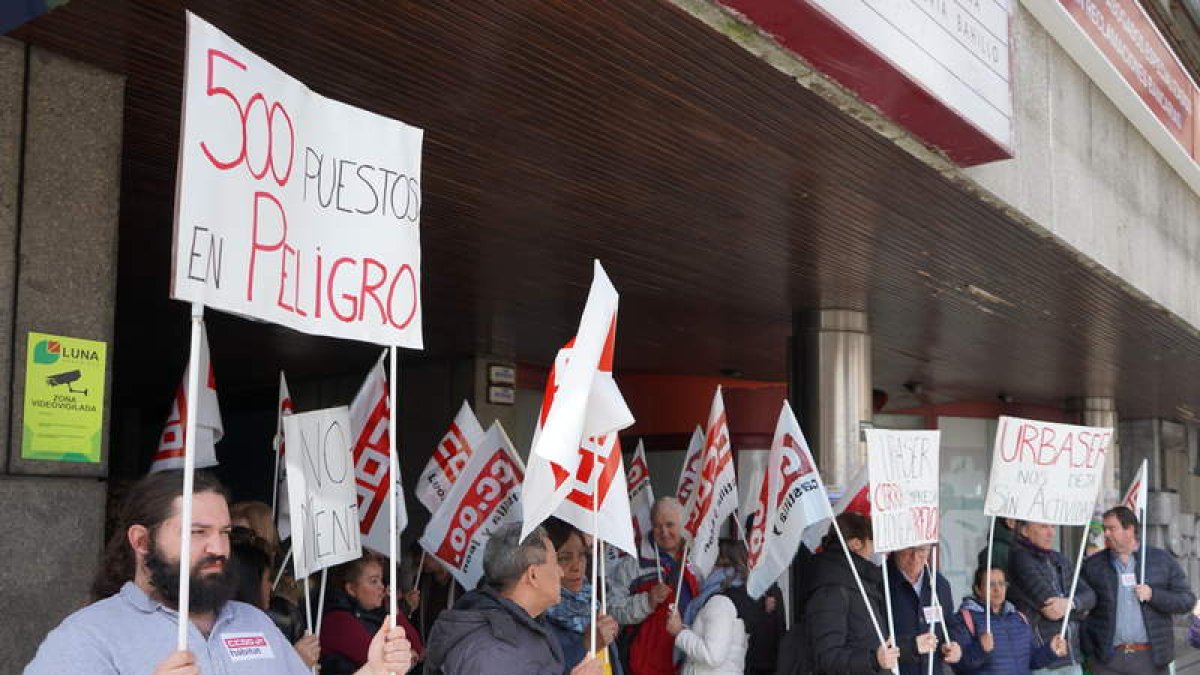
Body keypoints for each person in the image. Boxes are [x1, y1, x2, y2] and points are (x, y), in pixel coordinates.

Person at [25, 470, 413, 675]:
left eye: (225, 532)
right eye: (197, 532)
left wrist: (375, 670)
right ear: (142, 542)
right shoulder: (88, 636)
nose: (219, 548)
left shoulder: (253, 623)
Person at [423, 522, 609, 675]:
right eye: (555, 562)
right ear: (533, 575)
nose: (560, 572)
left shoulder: (521, 628)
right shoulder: (494, 650)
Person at [1080, 505, 1196, 674]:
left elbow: (1187, 600)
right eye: (1105, 529)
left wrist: (1153, 595)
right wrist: (1091, 651)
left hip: (1150, 659)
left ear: (1130, 530)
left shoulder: (1160, 560)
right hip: (1107, 661)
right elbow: (1082, 604)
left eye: (1112, 528)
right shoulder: (1094, 565)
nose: (1106, 534)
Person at [795, 512, 900, 675]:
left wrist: (913, 647)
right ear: (856, 544)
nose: (875, 550)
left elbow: (872, 642)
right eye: (871, 542)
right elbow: (827, 658)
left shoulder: (860, 583)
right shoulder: (832, 589)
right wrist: (873, 660)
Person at [609, 496, 700, 675]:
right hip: (645, 668)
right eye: (657, 525)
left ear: (682, 524)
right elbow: (612, 609)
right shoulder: (632, 565)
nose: (663, 532)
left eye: (670, 524)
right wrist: (647, 601)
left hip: (691, 663)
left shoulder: (699, 558)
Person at [1006, 520, 1094, 674]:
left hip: (1071, 653)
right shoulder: (1020, 559)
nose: (1051, 533)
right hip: (1044, 656)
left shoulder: (1059, 559)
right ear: (1025, 530)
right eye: (1043, 527)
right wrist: (1080, 610)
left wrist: (1071, 604)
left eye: (1053, 527)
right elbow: (1052, 608)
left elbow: (1090, 596)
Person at [948, 566, 1067, 674]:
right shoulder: (964, 619)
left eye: (1001, 584)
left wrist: (1050, 650)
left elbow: (1031, 661)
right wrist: (980, 649)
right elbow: (959, 664)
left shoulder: (1019, 618)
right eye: (991, 584)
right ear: (978, 589)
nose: (997, 589)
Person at [321, 553, 426, 674]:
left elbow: (416, 648)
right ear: (351, 589)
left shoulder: (373, 613)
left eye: (381, 580)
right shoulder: (338, 620)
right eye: (373, 581)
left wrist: (394, 610)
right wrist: (407, 656)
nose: (381, 586)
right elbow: (382, 661)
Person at [230, 533, 320, 668]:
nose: (271, 587)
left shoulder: (266, 626)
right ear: (251, 584)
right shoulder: (230, 632)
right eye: (268, 580)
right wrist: (297, 663)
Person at [544, 520, 621, 674]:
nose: (577, 566)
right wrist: (585, 645)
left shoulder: (593, 602)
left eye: (582, 555)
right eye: (565, 558)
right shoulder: (537, 619)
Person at [666, 538, 749, 674]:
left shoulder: (720, 603)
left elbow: (713, 655)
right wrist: (682, 627)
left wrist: (680, 633)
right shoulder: (731, 594)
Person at [886, 544, 963, 675]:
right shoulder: (879, 582)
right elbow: (871, 641)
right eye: (909, 549)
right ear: (896, 548)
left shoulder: (940, 584)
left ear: (929, 550)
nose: (915, 557)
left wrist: (954, 645)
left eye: (921, 550)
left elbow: (951, 625)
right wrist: (912, 646)